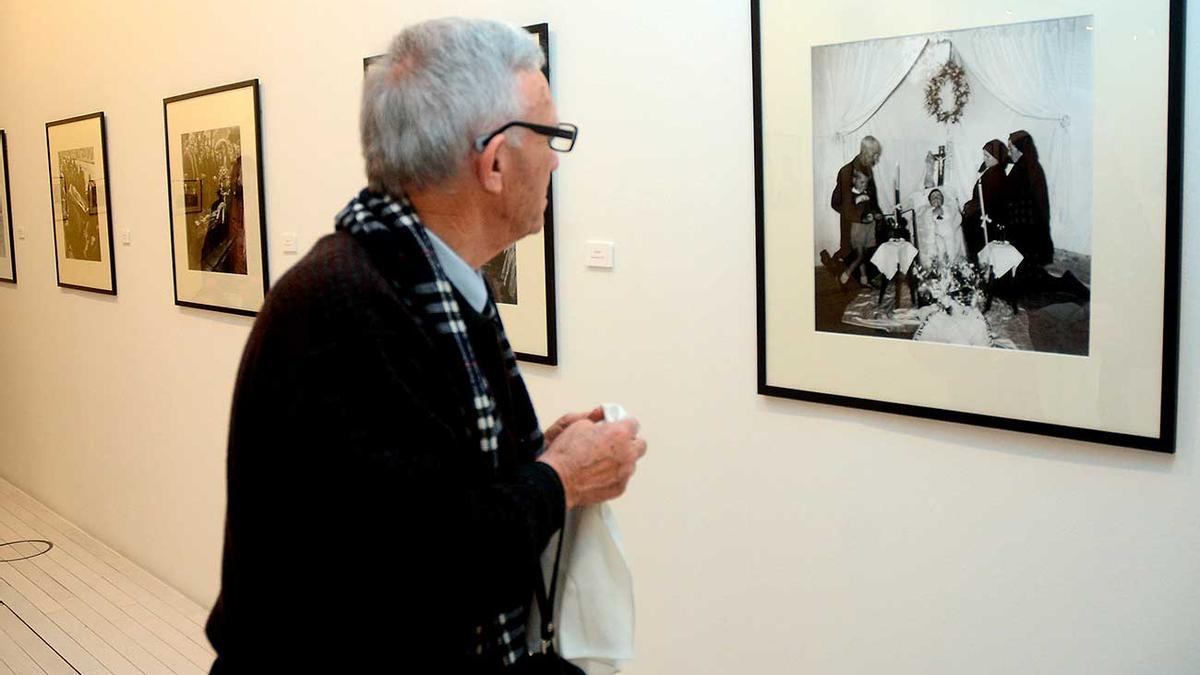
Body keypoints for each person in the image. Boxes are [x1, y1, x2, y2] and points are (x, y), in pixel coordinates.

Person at [204, 18, 647, 674]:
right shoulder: (344, 307)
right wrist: (564, 476)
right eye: (551, 136)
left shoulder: (420, 283)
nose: (556, 159)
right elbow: (435, 565)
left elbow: (424, 488)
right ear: (494, 161)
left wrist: (542, 456)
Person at [826, 136, 882, 267]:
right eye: (874, 155)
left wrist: (877, 214)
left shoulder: (867, 169)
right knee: (849, 251)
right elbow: (844, 205)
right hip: (851, 220)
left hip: (864, 219)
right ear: (865, 152)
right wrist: (862, 217)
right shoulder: (847, 172)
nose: (876, 159)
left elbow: (873, 198)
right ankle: (836, 263)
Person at [960, 139, 1009, 260]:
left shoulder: (997, 176)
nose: (984, 159)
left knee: (979, 248)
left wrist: (972, 206)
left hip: (987, 219)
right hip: (980, 213)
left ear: (997, 158)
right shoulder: (989, 171)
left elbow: (991, 200)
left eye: (988, 156)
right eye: (984, 155)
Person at [838, 167, 881, 286]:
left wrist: (875, 215)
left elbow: (871, 209)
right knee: (860, 254)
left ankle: (863, 277)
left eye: (866, 183)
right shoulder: (850, 196)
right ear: (853, 180)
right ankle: (847, 272)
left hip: (869, 228)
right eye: (861, 182)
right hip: (858, 228)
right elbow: (850, 213)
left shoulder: (867, 194)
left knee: (865, 254)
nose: (864, 185)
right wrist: (862, 216)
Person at [913, 187, 966, 267]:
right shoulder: (925, 211)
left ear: (943, 199)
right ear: (929, 201)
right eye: (933, 197)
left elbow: (957, 220)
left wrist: (945, 214)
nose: (936, 198)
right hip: (934, 240)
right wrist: (932, 213)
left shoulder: (949, 209)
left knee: (951, 254)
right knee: (937, 253)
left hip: (949, 240)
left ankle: (952, 265)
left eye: (939, 196)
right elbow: (921, 224)